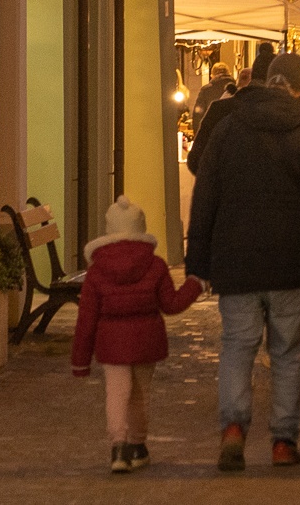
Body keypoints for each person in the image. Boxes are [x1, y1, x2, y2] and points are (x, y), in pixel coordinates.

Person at [185, 51, 300, 472]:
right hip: (294, 262)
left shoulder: (229, 127)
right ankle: (283, 442)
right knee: (287, 353)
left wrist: (197, 259)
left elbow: (206, 199)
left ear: (266, 81)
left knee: (238, 346)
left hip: (235, 260)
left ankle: (233, 430)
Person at [71, 196, 203, 474]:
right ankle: (138, 446)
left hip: (111, 342)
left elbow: (86, 319)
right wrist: (195, 284)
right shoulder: (155, 265)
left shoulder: (96, 272)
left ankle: (118, 448)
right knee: (140, 395)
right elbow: (172, 304)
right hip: (146, 340)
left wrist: (80, 361)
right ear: (140, 228)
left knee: (116, 393)